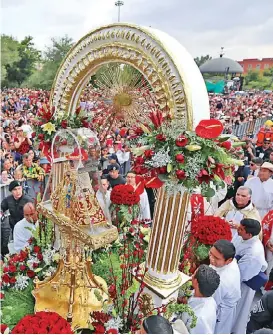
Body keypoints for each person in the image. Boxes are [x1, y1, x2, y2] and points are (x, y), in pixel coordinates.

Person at [231, 218, 268, 334]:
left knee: (237, 311)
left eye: (241, 229)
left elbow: (242, 274)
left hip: (243, 285)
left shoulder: (254, 252)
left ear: (249, 234)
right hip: (234, 274)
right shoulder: (243, 237)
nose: (238, 229)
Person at [209, 240, 241, 334]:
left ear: (229, 260)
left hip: (221, 311)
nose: (211, 259)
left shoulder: (223, 281)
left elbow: (213, 301)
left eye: (216, 258)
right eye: (210, 253)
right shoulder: (229, 262)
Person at [180, 265, 220, 334]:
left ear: (196, 282)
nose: (192, 276)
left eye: (194, 274)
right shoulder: (207, 296)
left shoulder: (200, 318)